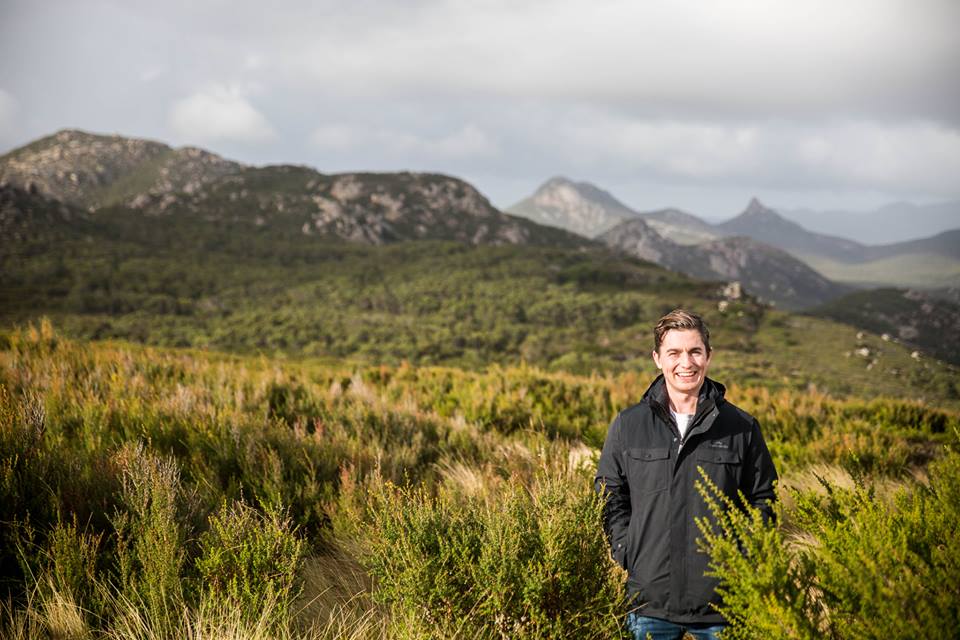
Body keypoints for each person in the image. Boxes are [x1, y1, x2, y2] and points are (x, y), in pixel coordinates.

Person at [594, 309, 778, 640]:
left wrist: (741, 557)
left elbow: (763, 498)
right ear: (657, 358)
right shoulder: (629, 424)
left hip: (722, 603)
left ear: (708, 356)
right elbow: (610, 493)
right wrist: (626, 547)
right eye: (674, 353)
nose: (686, 362)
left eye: (695, 351)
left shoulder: (741, 427)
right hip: (649, 603)